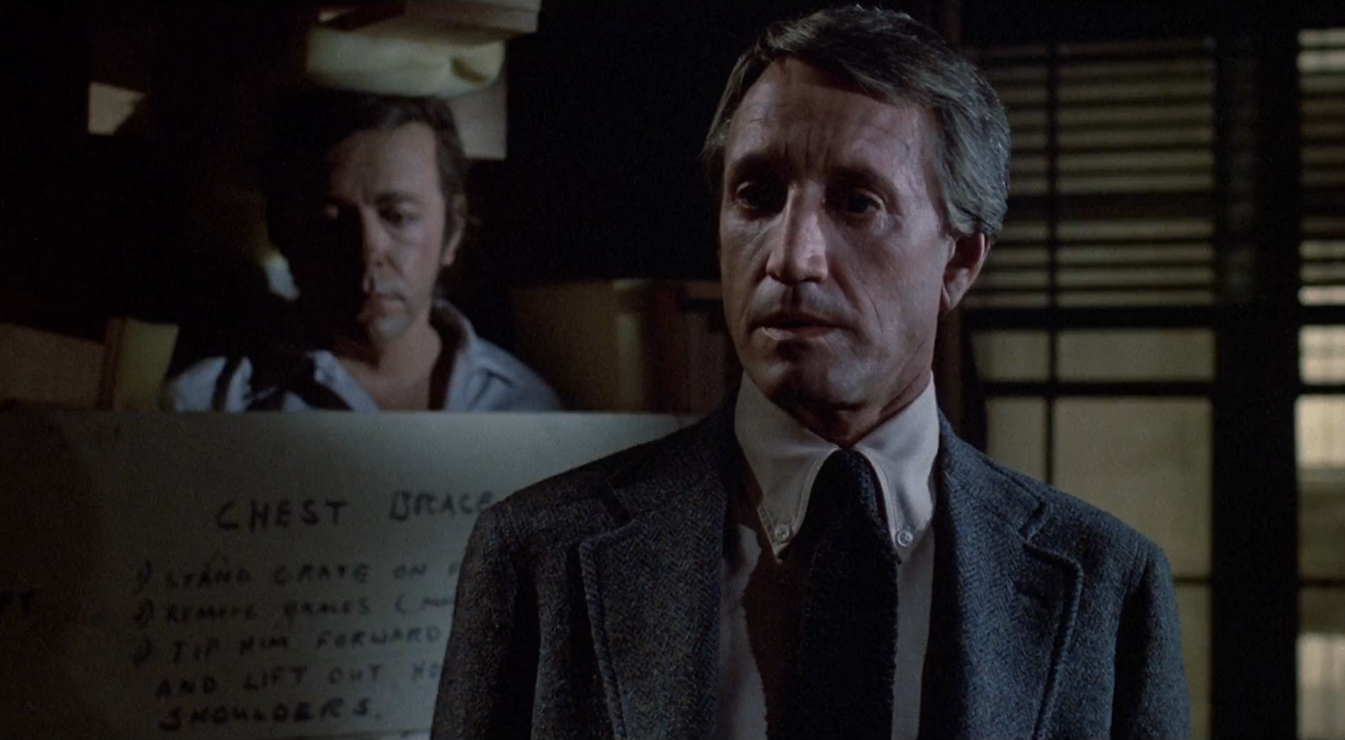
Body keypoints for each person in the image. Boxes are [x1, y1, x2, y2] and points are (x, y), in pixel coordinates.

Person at [433, 6, 1188, 740]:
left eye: (857, 203)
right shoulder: (540, 556)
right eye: (756, 196)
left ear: (958, 260)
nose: (792, 258)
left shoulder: (1106, 586)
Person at [162, 89, 560, 411]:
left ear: (452, 230)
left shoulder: (525, 411)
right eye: (330, 221)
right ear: (283, 232)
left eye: (399, 216)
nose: (369, 251)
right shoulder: (204, 412)